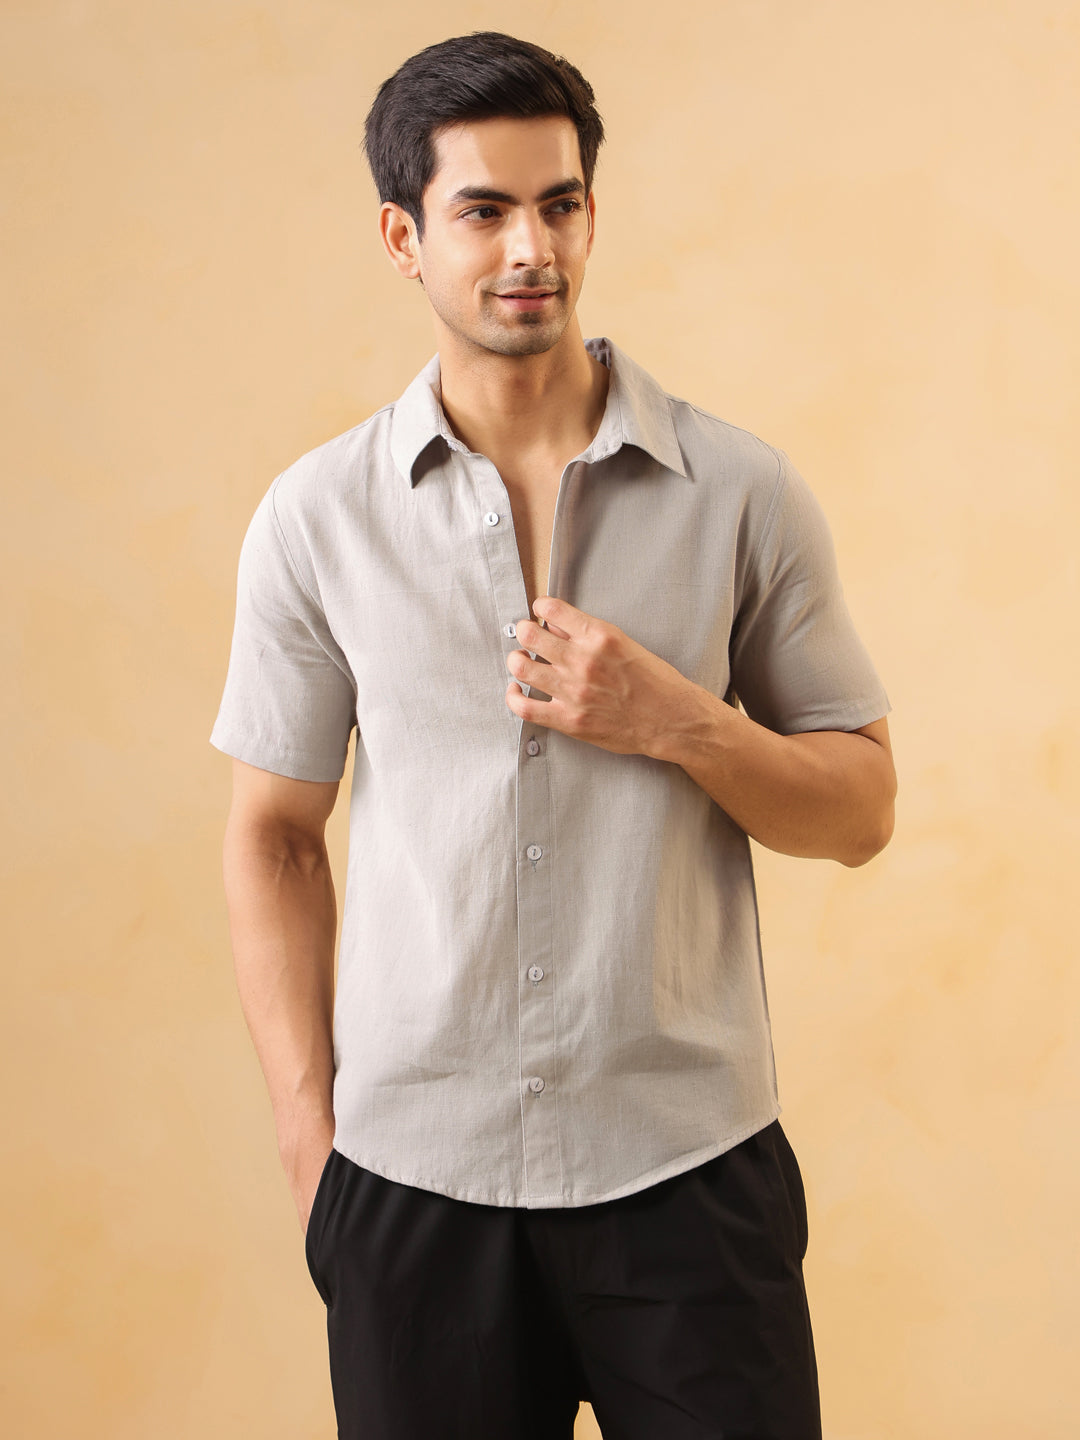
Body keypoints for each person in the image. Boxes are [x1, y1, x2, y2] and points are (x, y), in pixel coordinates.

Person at [210, 30, 896, 1440]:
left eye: (560, 203)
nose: (531, 248)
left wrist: (681, 722)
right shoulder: (316, 519)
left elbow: (861, 810)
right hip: (413, 1185)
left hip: (689, 1172)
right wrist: (309, 1139)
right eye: (484, 210)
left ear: (591, 211)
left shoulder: (741, 493)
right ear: (403, 237)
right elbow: (275, 839)